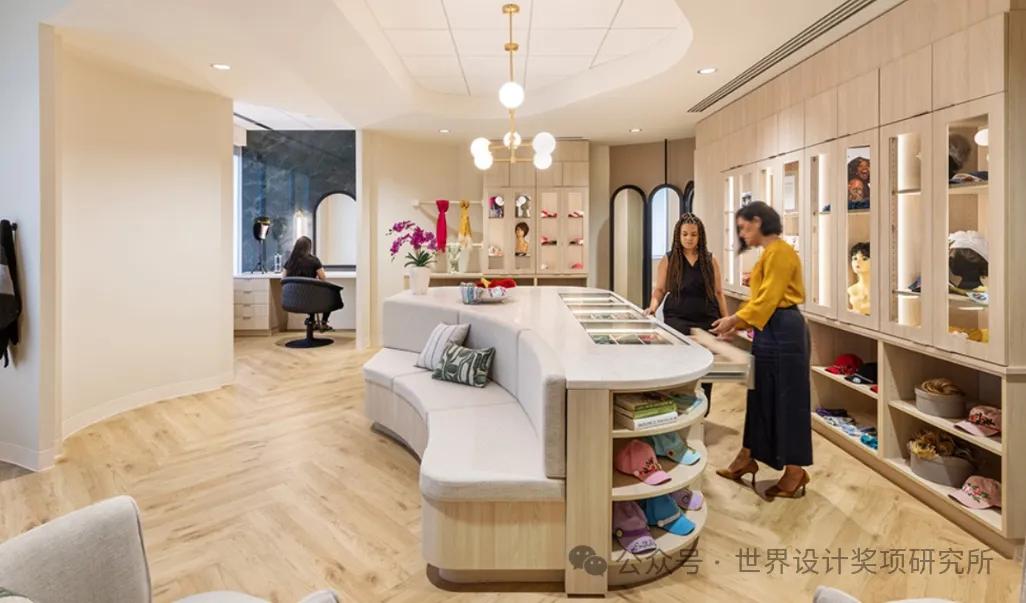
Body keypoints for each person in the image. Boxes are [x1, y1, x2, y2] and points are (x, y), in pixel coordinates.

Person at [710, 201, 812, 498]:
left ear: (758, 222)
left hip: (784, 330)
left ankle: (795, 472)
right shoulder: (769, 253)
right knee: (761, 395)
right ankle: (747, 456)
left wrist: (733, 320)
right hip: (771, 328)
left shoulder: (780, 252)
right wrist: (737, 323)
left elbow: (768, 299)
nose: (742, 234)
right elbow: (760, 300)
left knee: (787, 400)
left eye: (744, 228)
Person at [645, 214, 728, 414]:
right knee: (679, 365)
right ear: (678, 235)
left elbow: (718, 292)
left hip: (707, 319)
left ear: (700, 236)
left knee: (706, 368)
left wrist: (726, 320)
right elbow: (660, 290)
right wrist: (652, 307)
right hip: (677, 320)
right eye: (684, 234)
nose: (689, 238)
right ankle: (679, 409)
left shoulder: (710, 260)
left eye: (693, 234)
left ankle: (702, 412)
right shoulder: (669, 259)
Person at [283, 235, 333, 332]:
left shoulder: (290, 261)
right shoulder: (314, 260)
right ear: (309, 247)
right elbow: (323, 278)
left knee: (310, 294)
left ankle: (312, 321)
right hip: (310, 298)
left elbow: (283, 279)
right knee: (329, 294)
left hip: (293, 300)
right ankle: (323, 323)